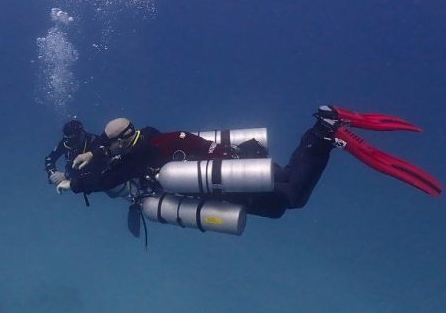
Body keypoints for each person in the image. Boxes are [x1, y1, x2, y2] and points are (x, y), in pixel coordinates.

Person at [56, 105, 441, 218]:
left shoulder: (138, 158)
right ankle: (323, 131)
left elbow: (106, 181)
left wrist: (72, 183)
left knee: (289, 199)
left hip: (231, 181)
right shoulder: (152, 137)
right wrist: (97, 151)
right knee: (282, 190)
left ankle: (323, 135)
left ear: (123, 142)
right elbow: (117, 152)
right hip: (236, 164)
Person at [44, 119, 100, 185]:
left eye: (73, 140)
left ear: (82, 134)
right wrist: (52, 174)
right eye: (67, 139)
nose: (70, 144)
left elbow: (97, 167)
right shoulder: (66, 142)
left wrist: (66, 175)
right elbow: (49, 159)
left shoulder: (94, 141)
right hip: (76, 181)